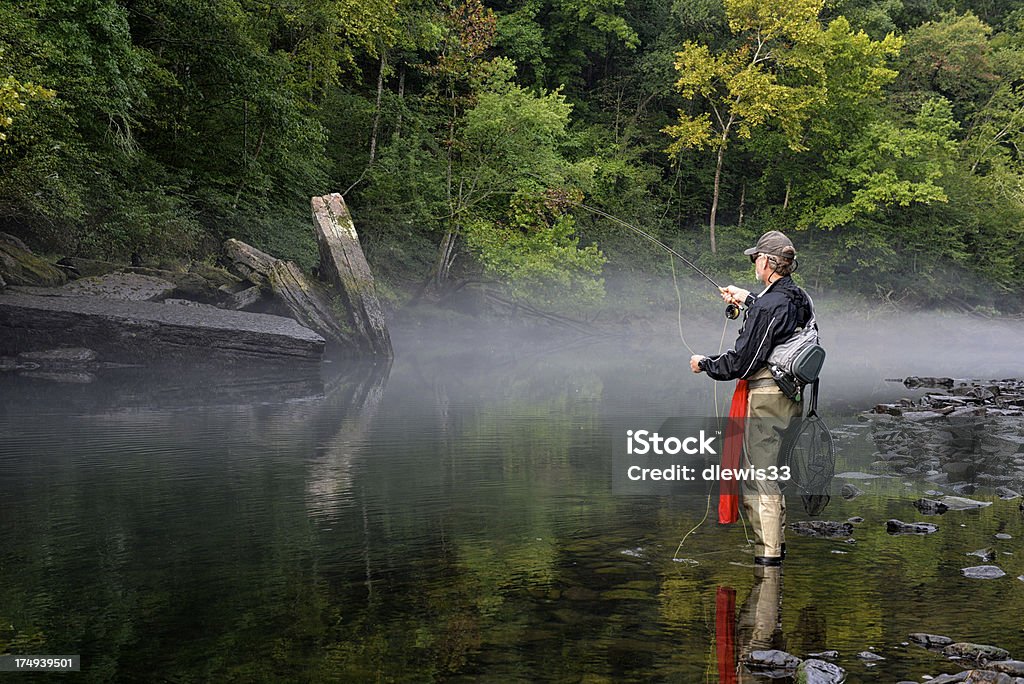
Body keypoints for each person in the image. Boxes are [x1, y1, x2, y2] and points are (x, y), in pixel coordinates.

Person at [688, 230, 812, 566]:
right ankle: (776, 549)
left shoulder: (771, 304)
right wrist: (748, 300)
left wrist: (705, 364)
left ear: (768, 262)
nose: (754, 262)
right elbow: (777, 321)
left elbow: (743, 363)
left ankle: (768, 561)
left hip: (767, 398)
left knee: (759, 476)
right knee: (771, 471)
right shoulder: (799, 298)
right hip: (793, 397)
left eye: (756, 257)